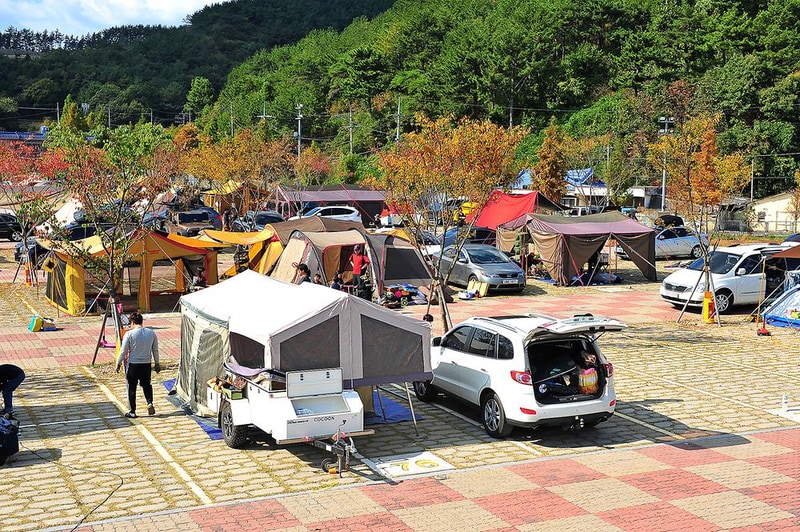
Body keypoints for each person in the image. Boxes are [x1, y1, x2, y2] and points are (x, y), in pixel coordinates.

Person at [115, 312, 160, 418]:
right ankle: (149, 402)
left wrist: (118, 363)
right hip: (146, 364)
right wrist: (157, 363)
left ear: (133, 322)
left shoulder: (129, 334)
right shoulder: (151, 333)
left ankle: (132, 411)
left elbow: (123, 351)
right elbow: (155, 350)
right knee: (146, 385)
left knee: (132, 388)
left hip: (133, 364)